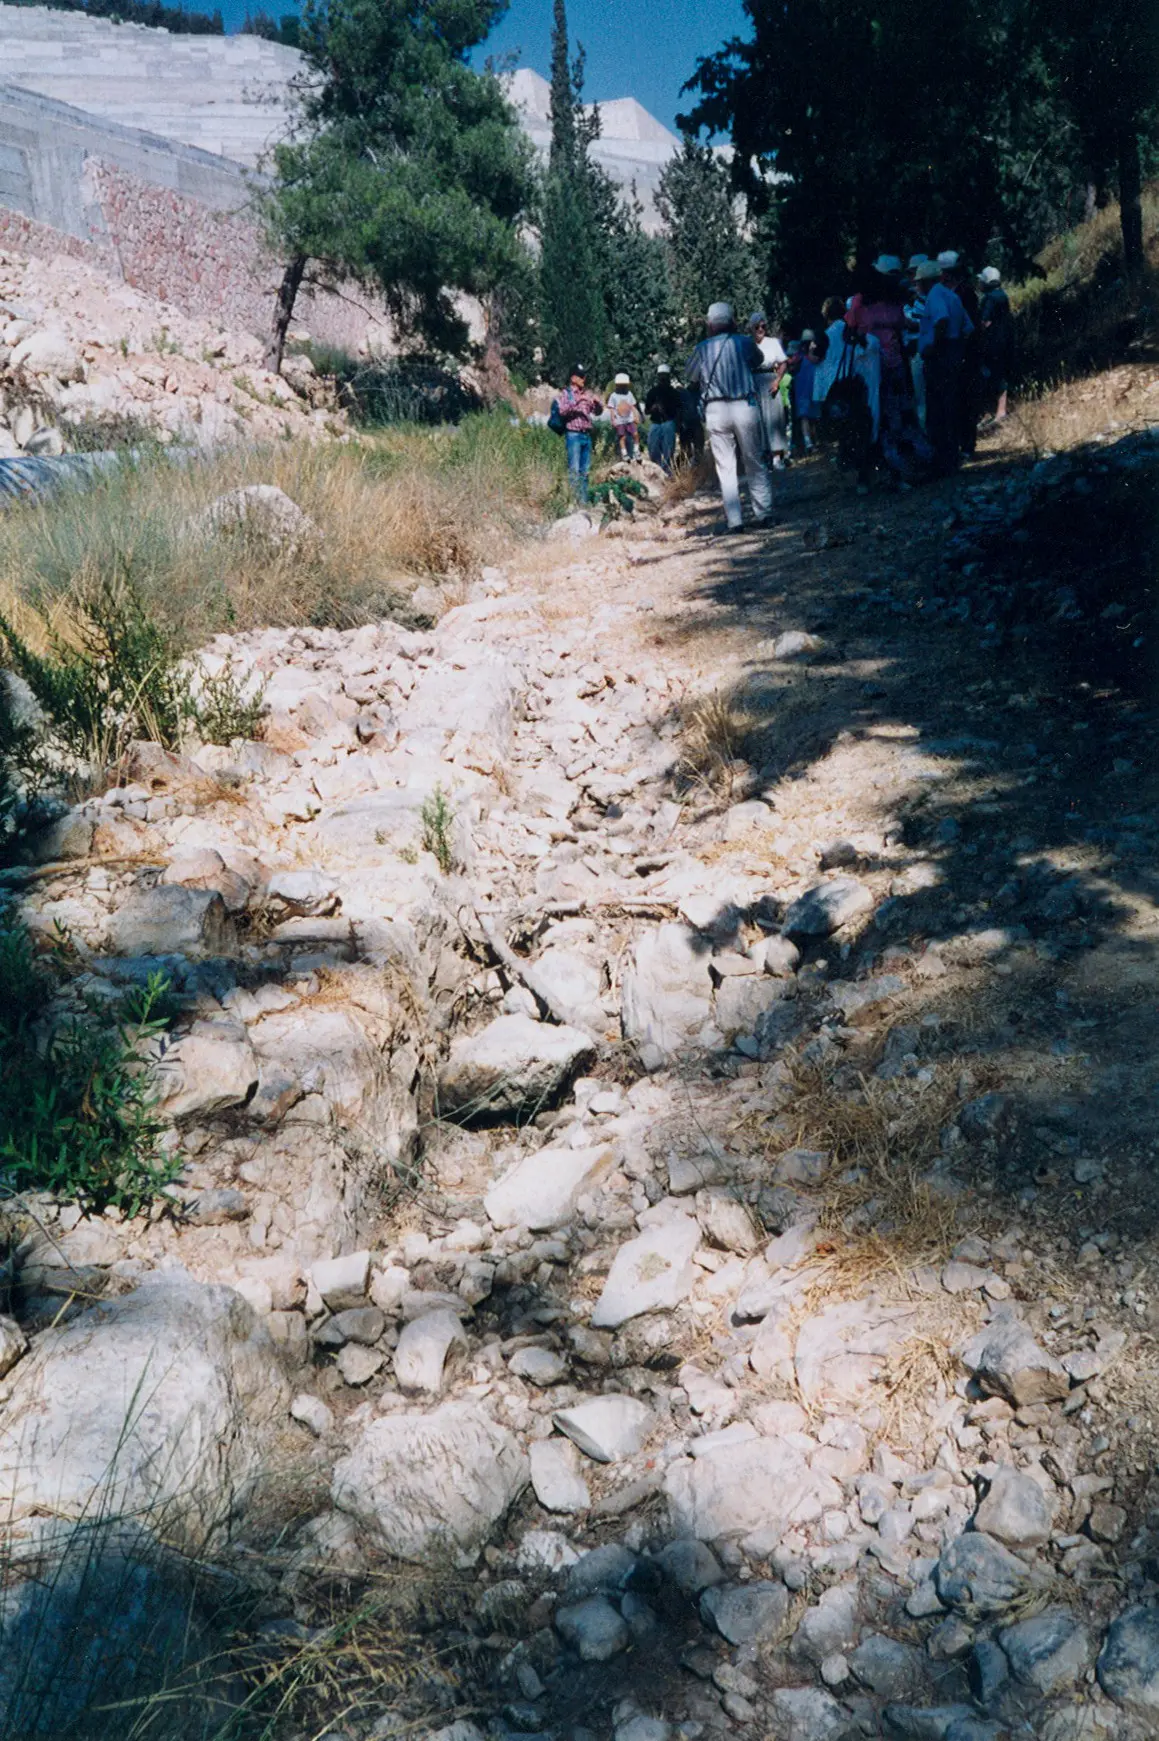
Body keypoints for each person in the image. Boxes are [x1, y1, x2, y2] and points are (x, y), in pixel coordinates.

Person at [686, 301, 774, 533]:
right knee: (754, 460)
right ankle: (764, 513)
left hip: (716, 409)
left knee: (725, 467)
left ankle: (735, 521)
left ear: (710, 324)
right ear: (732, 321)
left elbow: (692, 377)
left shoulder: (701, 348)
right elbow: (758, 360)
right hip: (744, 404)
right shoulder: (744, 343)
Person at [917, 259, 974, 475]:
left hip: (940, 356)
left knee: (939, 408)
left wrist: (935, 347)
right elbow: (968, 327)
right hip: (953, 352)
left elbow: (941, 320)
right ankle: (953, 455)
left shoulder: (935, 296)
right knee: (951, 404)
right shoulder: (952, 296)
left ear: (926, 282)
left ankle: (944, 460)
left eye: (919, 282)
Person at [939, 252, 981, 457]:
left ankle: (967, 444)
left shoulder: (964, 293)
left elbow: (970, 326)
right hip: (955, 352)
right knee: (955, 398)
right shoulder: (956, 292)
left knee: (964, 397)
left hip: (964, 352)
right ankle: (960, 442)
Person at [556, 363, 603, 503]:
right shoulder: (566, 394)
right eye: (581, 376)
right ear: (573, 378)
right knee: (574, 470)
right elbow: (562, 411)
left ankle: (583, 502)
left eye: (584, 376)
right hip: (574, 435)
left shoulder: (586, 394)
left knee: (585, 471)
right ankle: (574, 502)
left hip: (586, 436)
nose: (584, 379)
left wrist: (598, 404)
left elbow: (598, 412)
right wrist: (578, 401)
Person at [748, 311, 788, 468]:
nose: (760, 329)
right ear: (751, 328)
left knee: (774, 418)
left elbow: (783, 362)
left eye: (763, 326)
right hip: (753, 383)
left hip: (770, 380)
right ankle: (763, 458)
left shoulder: (773, 342)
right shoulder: (747, 344)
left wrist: (777, 380)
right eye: (757, 326)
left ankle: (777, 457)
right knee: (756, 421)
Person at [977, 265, 1013, 423]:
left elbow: (985, 322)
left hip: (992, 343)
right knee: (1001, 375)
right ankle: (1001, 410)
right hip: (1005, 341)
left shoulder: (989, 299)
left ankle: (991, 412)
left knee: (988, 376)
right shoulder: (1003, 296)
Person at [644, 364, 680, 472]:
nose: (663, 378)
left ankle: (667, 472)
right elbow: (646, 410)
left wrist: (677, 425)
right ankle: (657, 470)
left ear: (668, 377)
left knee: (668, 449)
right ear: (658, 376)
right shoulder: (652, 392)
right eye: (661, 376)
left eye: (665, 376)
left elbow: (678, 410)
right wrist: (653, 408)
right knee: (652, 447)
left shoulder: (674, 393)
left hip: (669, 422)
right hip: (655, 423)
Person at [607, 372, 639, 461]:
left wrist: (636, 415)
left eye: (625, 385)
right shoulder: (613, 396)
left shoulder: (629, 394)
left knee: (635, 434)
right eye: (621, 385)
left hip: (629, 419)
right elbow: (612, 408)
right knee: (622, 437)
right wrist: (613, 419)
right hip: (620, 420)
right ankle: (624, 453)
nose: (623, 387)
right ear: (617, 385)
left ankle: (636, 451)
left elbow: (633, 406)